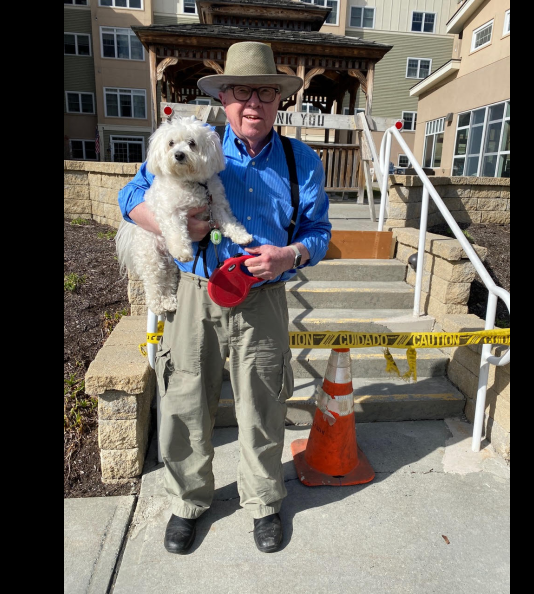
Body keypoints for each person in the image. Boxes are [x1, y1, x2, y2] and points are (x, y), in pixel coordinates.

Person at [117, 41, 332, 555]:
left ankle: (263, 502)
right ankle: (188, 501)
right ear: (225, 98)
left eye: (264, 92)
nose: (252, 103)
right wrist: (174, 225)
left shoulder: (301, 160)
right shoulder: (193, 145)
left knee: (263, 403)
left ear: (279, 100)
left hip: (263, 299)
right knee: (185, 399)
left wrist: (292, 255)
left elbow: (320, 231)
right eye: (241, 92)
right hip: (194, 293)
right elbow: (131, 199)